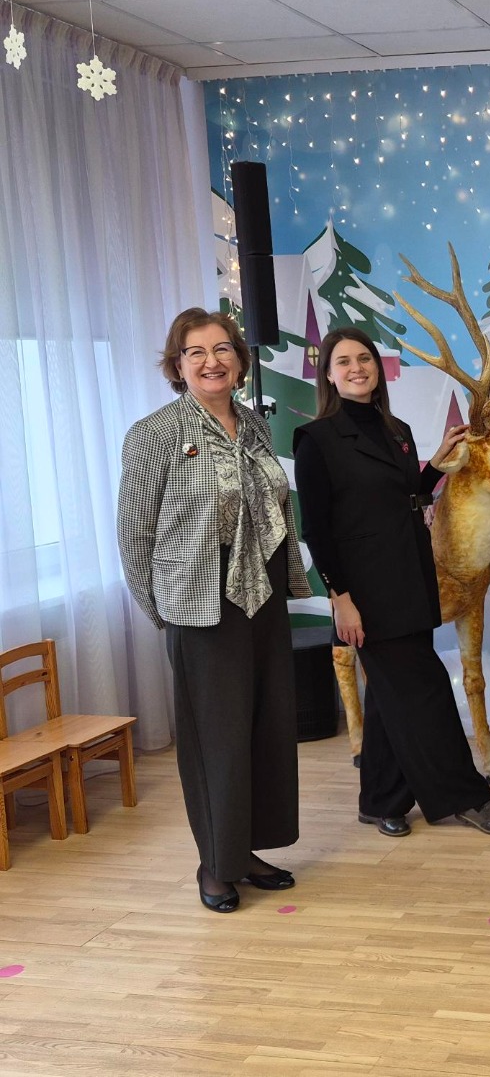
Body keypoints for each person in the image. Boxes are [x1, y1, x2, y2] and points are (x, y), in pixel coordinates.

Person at [293, 327, 490, 841]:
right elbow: (316, 530)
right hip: (367, 594)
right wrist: (341, 599)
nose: (356, 368)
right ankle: (468, 798)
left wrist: (435, 466)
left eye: (364, 359)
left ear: (377, 369)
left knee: (388, 698)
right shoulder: (315, 440)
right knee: (427, 692)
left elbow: (405, 498)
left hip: (412, 581)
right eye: (344, 361)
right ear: (328, 374)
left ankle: (380, 800)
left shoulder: (395, 429)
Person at [117, 307, 311, 913]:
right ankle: (215, 863)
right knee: (216, 737)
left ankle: (245, 850)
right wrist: (162, 610)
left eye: (222, 349)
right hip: (201, 601)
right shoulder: (154, 433)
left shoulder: (253, 425)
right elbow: (135, 533)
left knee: (264, 725)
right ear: (177, 365)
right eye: (195, 352)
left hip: (263, 590)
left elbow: (275, 505)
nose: (211, 361)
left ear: (239, 359)